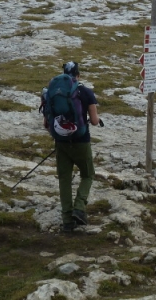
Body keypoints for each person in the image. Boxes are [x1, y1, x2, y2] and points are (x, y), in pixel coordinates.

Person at [44, 61, 100, 233]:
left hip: (61, 143)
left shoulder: (51, 92)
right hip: (81, 141)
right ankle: (79, 207)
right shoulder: (86, 92)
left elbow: (46, 123)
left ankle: (67, 221)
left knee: (64, 180)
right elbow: (96, 121)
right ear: (78, 75)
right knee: (88, 174)